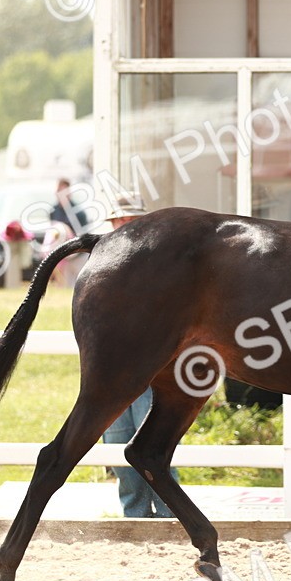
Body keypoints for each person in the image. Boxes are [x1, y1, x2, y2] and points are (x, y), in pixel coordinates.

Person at [101, 194, 180, 518]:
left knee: (155, 445)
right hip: (112, 371)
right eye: (120, 221)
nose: (123, 226)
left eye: (130, 220)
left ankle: (168, 514)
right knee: (119, 443)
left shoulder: (162, 266)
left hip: (152, 370)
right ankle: (134, 516)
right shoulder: (104, 263)